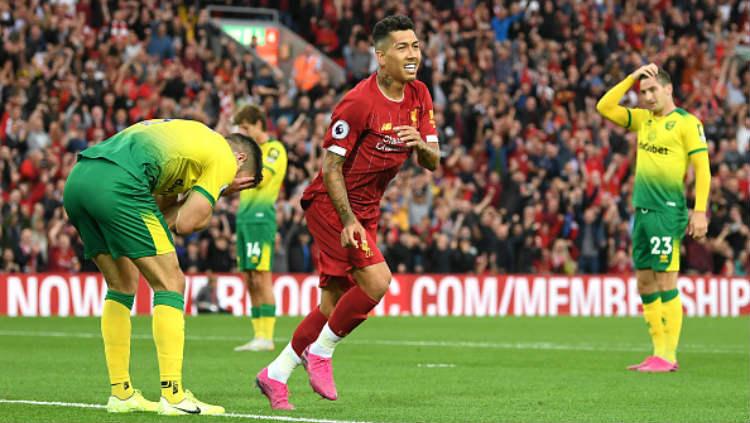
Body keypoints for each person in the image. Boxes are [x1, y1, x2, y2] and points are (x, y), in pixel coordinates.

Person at [255, 15, 440, 410]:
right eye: (403, 47)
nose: (413, 54)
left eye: (416, 46)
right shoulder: (359, 102)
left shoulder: (420, 95)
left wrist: (421, 147)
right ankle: (320, 353)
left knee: (331, 305)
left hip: (367, 208)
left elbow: (433, 161)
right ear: (381, 56)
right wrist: (349, 220)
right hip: (332, 203)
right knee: (377, 281)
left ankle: (276, 373)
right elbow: (330, 167)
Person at [63, 118, 262, 414]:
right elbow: (187, 222)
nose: (234, 189)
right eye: (240, 183)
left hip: (80, 180)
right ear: (240, 159)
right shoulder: (222, 154)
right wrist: (218, 190)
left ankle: (122, 393)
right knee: (172, 282)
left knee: (122, 284)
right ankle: (173, 395)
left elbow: (161, 216)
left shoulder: (189, 145)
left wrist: (192, 196)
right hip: (119, 183)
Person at [597, 63, 711, 372]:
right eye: (643, 92)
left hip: (666, 211)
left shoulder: (687, 123)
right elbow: (604, 106)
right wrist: (632, 77)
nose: (647, 97)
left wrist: (699, 210)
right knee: (645, 283)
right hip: (642, 212)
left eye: (651, 90)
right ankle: (656, 352)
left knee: (665, 280)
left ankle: (668, 355)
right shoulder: (644, 120)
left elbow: (702, 169)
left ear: (668, 89)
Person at [232, 105, 288, 352]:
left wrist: (234, 170)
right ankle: (257, 335)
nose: (244, 133)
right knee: (249, 276)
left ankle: (268, 336)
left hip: (261, 217)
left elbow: (261, 179)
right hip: (243, 217)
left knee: (262, 275)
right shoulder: (248, 152)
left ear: (259, 124)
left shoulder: (274, 150)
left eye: (246, 128)